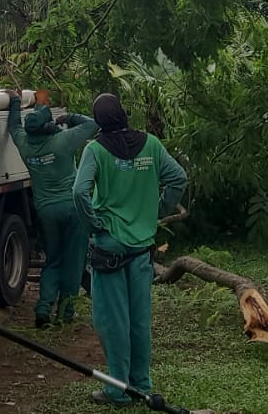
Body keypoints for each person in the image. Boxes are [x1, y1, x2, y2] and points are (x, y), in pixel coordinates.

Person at [72, 93, 187, 408]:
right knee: (139, 319)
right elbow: (178, 177)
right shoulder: (150, 144)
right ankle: (142, 385)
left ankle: (117, 390)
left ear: (99, 121)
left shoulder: (95, 150)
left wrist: (95, 226)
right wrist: (157, 210)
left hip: (109, 246)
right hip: (141, 249)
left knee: (112, 322)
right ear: (123, 114)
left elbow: (80, 192)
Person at [6, 93, 99, 328]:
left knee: (53, 260)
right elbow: (93, 124)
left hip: (46, 211)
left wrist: (15, 102)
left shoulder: (24, 144)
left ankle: (44, 309)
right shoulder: (63, 141)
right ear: (48, 126)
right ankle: (66, 313)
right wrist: (69, 116)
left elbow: (13, 125)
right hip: (73, 208)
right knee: (73, 261)